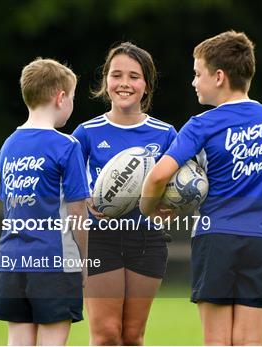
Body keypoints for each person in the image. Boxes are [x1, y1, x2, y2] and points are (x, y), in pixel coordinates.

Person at [140, 30, 262, 346]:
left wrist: (148, 209)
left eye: (198, 74)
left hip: (216, 239)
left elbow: (158, 176)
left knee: (217, 341)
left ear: (220, 76)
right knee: (250, 340)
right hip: (260, 240)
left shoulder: (202, 123)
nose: (194, 81)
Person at [72, 42, 177, 345]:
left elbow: (181, 189)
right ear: (106, 81)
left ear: (146, 85)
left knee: (132, 336)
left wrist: (171, 208)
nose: (125, 84)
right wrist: (84, 201)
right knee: (105, 335)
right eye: (117, 75)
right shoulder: (86, 132)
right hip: (99, 239)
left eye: (134, 76)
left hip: (147, 239)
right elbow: (69, 190)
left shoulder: (166, 134)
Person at [0, 58, 89, 345]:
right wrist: (84, 261)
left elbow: (9, 204)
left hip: (10, 262)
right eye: (72, 97)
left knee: (17, 341)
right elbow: (77, 210)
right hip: (54, 263)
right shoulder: (67, 145)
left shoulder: (8, 145)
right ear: (61, 98)